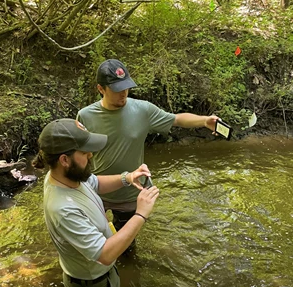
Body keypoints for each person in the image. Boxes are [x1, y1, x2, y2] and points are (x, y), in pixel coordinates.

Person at [33, 118, 158, 287]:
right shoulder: (62, 207)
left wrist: (127, 177)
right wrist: (141, 213)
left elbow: (94, 183)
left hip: (99, 274)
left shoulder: (67, 177)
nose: (91, 155)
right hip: (91, 285)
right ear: (64, 159)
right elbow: (105, 254)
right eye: (84, 151)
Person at [76, 59, 218, 232]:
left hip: (130, 193)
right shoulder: (85, 116)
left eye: (126, 87)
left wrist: (204, 121)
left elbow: (176, 119)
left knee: (126, 248)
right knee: (96, 246)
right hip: (97, 192)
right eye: (117, 89)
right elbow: (78, 155)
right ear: (100, 89)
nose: (123, 93)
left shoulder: (142, 110)